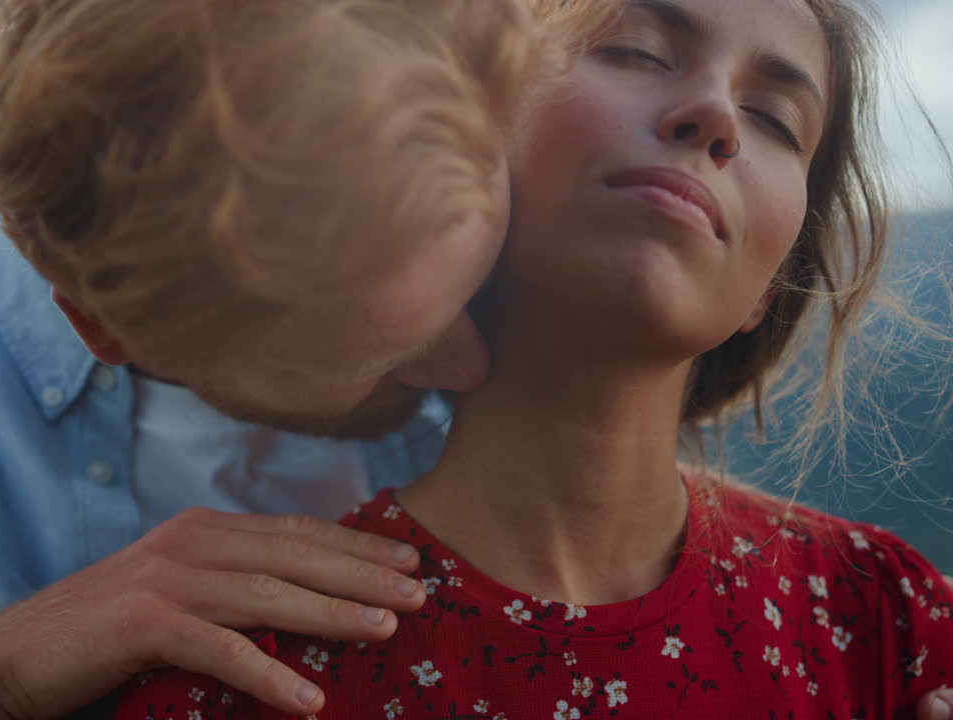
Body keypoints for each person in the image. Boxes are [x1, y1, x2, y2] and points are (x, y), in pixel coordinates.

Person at [112, 0, 953, 717]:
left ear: (770, 287)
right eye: (636, 51)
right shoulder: (245, 674)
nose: (715, 115)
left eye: (775, 119)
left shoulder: (887, 621)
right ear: (468, 132)